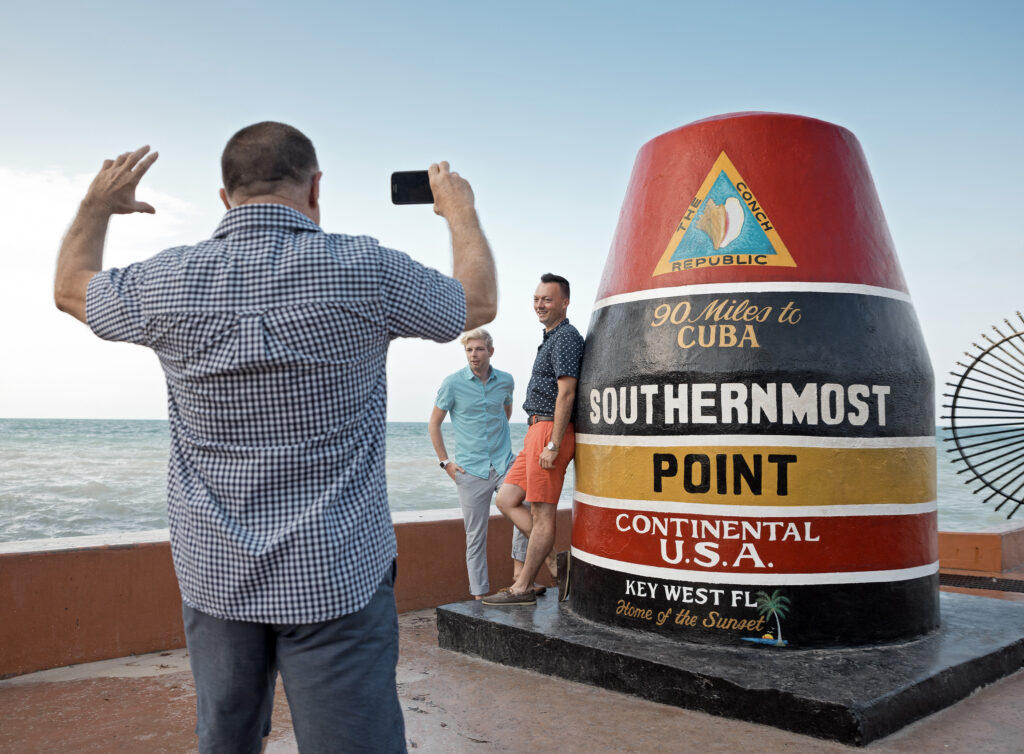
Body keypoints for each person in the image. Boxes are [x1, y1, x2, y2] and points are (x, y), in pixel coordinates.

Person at [53, 122, 497, 753]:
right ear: (316, 189)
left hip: (216, 574)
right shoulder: (364, 268)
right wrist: (461, 212)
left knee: (227, 741)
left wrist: (97, 205)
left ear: (224, 197)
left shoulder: (168, 282)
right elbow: (476, 302)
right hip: (337, 574)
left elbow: (71, 288)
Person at [484, 274, 585, 606]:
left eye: (548, 299)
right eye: (537, 299)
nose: (540, 305)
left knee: (543, 514)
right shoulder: (550, 337)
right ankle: (556, 562)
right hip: (534, 432)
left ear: (565, 302)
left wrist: (553, 444)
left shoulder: (566, 337)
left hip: (549, 432)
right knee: (506, 499)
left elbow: (567, 393)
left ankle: (522, 587)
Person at [428, 329, 530, 599]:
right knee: (475, 536)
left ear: (490, 351)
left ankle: (519, 575)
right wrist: (445, 463)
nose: (474, 354)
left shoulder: (506, 381)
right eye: (469, 350)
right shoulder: (452, 384)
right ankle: (480, 596)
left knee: (525, 508)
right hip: (470, 471)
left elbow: (505, 412)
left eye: (479, 349)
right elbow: (434, 423)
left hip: (504, 463)